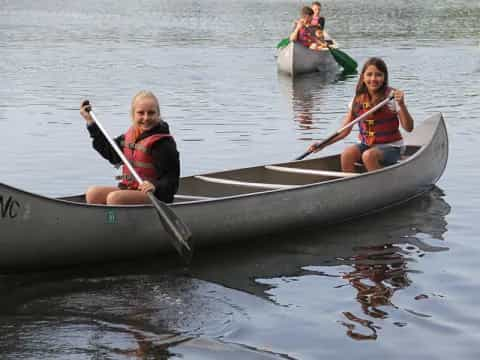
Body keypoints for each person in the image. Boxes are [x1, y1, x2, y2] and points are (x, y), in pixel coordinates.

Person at [307, 57, 414, 172]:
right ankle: (351, 187)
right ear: (363, 77)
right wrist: (323, 144)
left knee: (368, 156)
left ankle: (378, 187)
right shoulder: (357, 100)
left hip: (392, 147)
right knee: (347, 154)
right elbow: (344, 131)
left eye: (378, 75)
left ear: (384, 77)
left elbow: (409, 128)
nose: (373, 79)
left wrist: (402, 105)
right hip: (367, 145)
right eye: (369, 74)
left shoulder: (392, 97)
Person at [79, 90, 180, 205]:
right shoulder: (129, 136)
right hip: (130, 189)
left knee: (115, 198)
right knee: (93, 193)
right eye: (141, 113)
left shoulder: (163, 143)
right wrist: (91, 123)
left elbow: (172, 180)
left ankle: (114, 221)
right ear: (133, 114)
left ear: (158, 114)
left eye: (151, 113)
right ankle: (107, 221)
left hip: (156, 195)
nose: (146, 118)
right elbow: (110, 153)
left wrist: (155, 186)